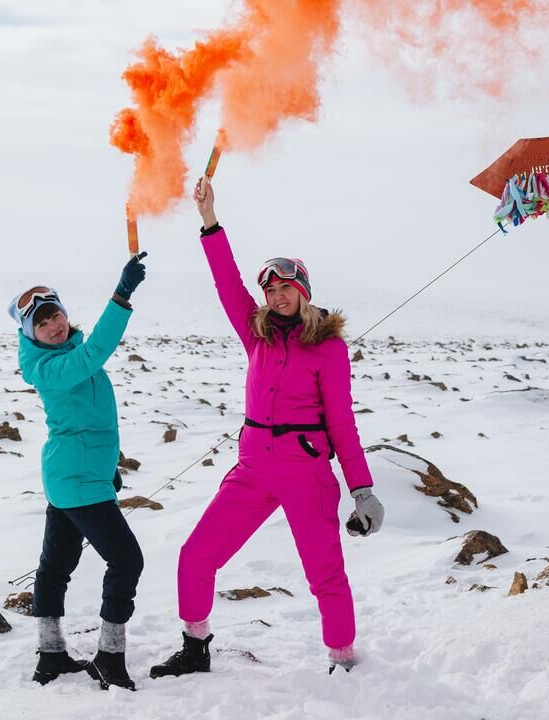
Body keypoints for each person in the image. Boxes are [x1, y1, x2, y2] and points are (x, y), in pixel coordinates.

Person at [150, 177, 385, 678]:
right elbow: (225, 283)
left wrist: (361, 490)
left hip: (306, 470)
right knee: (195, 555)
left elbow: (342, 422)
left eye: (286, 288)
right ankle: (195, 648)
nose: (276, 297)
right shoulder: (254, 335)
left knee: (325, 573)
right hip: (253, 468)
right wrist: (209, 221)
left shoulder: (328, 347)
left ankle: (343, 659)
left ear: (302, 291)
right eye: (270, 290)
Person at [9, 251, 148, 691]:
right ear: (30, 334)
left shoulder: (66, 354)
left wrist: (108, 471)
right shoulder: (51, 368)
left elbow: (93, 420)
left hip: (74, 477)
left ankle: (50, 657)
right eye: (42, 324)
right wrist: (121, 294)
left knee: (56, 566)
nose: (54, 326)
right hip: (75, 481)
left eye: (56, 316)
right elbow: (97, 352)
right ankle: (109, 655)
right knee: (127, 560)